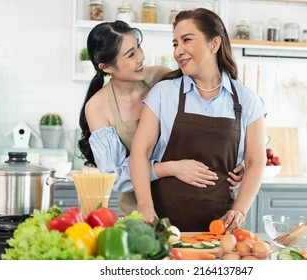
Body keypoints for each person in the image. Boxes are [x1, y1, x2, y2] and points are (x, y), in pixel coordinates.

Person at [78, 21, 243, 216]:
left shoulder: (161, 78)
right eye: (130, 55)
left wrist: (240, 161)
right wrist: (171, 168)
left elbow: (209, 119)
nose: (141, 57)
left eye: (138, 47)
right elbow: (115, 177)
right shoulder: (98, 107)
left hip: (184, 205)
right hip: (139, 213)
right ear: (106, 67)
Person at [130, 8, 267, 233]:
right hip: (162, 224)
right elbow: (139, 152)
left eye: (186, 40)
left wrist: (240, 210)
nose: (178, 51)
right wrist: (144, 205)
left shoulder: (247, 100)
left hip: (219, 228)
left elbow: (255, 161)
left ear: (214, 44)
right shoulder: (163, 93)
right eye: (175, 44)